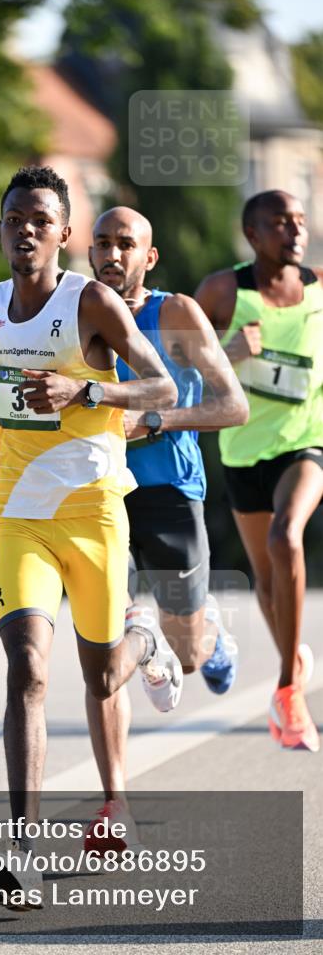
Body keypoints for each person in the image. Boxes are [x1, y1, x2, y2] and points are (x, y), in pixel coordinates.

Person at [0, 166, 180, 903]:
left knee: (102, 678)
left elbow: (162, 386)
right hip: (18, 517)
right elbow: (3, 367)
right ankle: (23, 849)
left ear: (63, 233)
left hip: (95, 513)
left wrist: (90, 390)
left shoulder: (94, 302)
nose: (27, 230)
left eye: (42, 219)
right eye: (15, 219)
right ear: (0, 228)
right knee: (28, 672)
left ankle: (146, 637)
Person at [81, 206, 249, 844]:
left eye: (126, 244)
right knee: (104, 638)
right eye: (102, 242)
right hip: (98, 496)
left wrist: (152, 422)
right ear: (87, 250)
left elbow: (232, 405)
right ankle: (114, 803)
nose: (112, 253)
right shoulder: (77, 311)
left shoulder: (173, 313)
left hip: (169, 491)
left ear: (148, 257)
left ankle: (206, 633)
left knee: (190, 651)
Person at [196, 190, 323, 753]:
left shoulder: (319, 287)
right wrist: (231, 351)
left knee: (285, 536)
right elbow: (177, 369)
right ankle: (293, 659)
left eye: (299, 220)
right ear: (252, 234)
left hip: (307, 443)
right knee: (267, 584)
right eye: (280, 222)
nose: (294, 231)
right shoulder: (225, 290)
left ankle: (288, 688)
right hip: (244, 450)